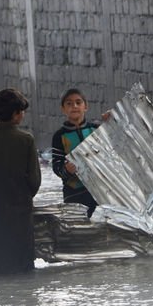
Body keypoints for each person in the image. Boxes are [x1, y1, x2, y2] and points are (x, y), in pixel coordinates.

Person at [0, 88, 41, 275]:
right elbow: (34, 181)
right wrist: (23, 196)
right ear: (16, 114)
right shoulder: (26, 140)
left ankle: (0, 303)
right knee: (24, 267)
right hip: (21, 212)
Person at [51, 88, 100, 217]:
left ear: (86, 106)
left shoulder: (96, 130)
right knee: (79, 232)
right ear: (63, 109)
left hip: (100, 192)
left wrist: (111, 119)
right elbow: (56, 167)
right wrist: (66, 170)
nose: (74, 106)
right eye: (69, 103)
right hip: (74, 193)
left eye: (79, 102)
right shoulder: (59, 136)